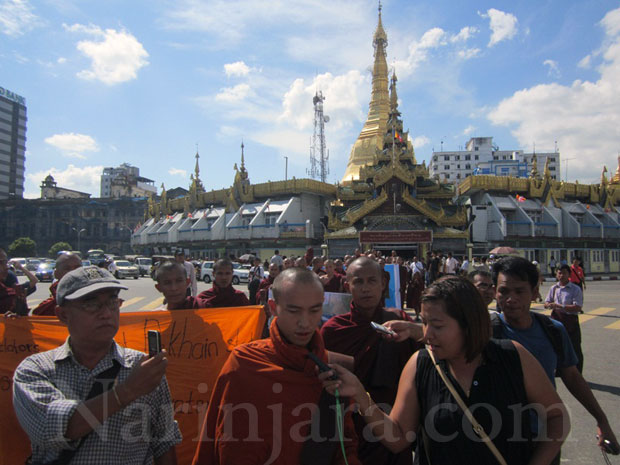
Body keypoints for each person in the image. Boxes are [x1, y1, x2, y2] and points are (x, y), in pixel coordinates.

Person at [322, 276, 568, 465]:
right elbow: (397, 439)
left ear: (468, 324)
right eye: (425, 323)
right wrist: (360, 394)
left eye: (437, 326)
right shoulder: (420, 365)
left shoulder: (512, 357)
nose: (426, 334)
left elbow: (557, 416)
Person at [13, 266, 181, 464]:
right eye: (92, 305)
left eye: (112, 303)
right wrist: (127, 391)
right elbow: (60, 429)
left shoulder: (143, 367)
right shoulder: (36, 370)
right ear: (63, 315)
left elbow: (164, 442)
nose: (106, 314)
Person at [192, 268, 361, 465]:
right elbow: (223, 442)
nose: (305, 322)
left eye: (314, 310)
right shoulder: (245, 363)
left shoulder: (333, 369)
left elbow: (344, 444)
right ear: (273, 307)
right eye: (293, 310)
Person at [492, 256, 619, 456]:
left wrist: (601, 420)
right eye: (504, 291)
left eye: (519, 291)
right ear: (495, 292)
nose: (511, 298)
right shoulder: (485, 332)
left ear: (534, 292)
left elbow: (573, 377)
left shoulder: (552, 330)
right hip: (496, 439)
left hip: (544, 439)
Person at [321, 257, 422, 465]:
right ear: (348, 286)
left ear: (383, 284)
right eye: (358, 282)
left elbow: (430, 358)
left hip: (393, 422)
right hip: (349, 426)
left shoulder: (400, 322)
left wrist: (416, 330)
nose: (365, 288)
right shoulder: (334, 330)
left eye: (372, 281)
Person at [545, 264, 585, 373]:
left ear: (569, 275)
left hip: (570, 322)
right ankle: (559, 370)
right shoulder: (554, 288)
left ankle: (577, 373)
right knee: (556, 346)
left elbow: (577, 307)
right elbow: (547, 302)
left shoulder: (575, 289)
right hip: (556, 321)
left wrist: (560, 306)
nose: (561, 275)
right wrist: (548, 304)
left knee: (575, 348)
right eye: (559, 272)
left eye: (564, 273)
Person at [1, 249, 38, 315]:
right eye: (1, 262)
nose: (6, 267)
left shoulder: (14, 293)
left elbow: (34, 280)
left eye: (6, 262)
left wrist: (21, 268)